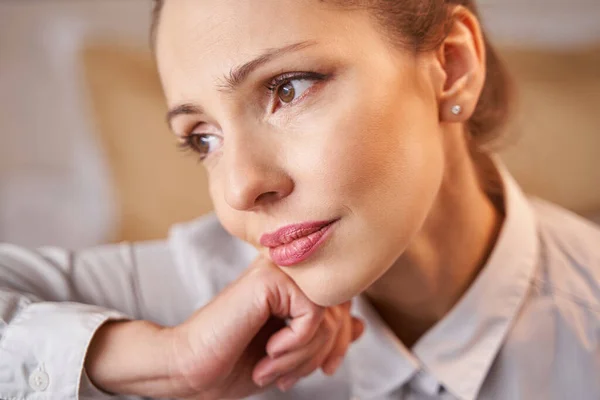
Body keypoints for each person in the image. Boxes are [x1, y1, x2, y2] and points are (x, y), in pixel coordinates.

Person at [1, 0, 600, 399]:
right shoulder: (193, 294)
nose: (238, 189)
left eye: (287, 89)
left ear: (452, 66)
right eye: (201, 138)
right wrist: (164, 359)